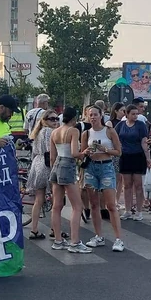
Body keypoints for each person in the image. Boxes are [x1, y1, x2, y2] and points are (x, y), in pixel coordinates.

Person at [81, 105, 125, 252]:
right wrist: (86, 152)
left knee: (110, 205)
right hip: (91, 168)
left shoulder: (109, 131)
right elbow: (82, 153)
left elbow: (118, 152)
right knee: (93, 204)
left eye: (95, 114)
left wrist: (104, 150)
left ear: (101, 116)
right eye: (90, 115)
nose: (92, 117)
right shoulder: (86, 133)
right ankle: (98, 235)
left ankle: (118, 239)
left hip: (106, 167)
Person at [49, 107, 92, 253]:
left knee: (57, 205)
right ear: (74, 118)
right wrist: (84, 153)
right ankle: (75, 242)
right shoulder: (73, 131)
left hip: (56, 165)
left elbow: (52, 157)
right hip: (67, 165)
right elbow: (74, 153)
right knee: (77, 206)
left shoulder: (54, 132)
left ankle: (58, 240)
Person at [26, 109, 58, 240]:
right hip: (46, 164)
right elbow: (50, 152)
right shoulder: (49, 132)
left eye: (57, 118)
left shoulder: (38, 132)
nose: (55, 121)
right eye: (52, 119)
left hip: (37, 163)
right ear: (44, 120)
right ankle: (55, 229)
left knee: (38, 199)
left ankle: (34, 229)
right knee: (56, 198)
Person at [115, 104, 150, 220]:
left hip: (138, 156)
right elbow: (115, 139)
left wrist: (148, 157)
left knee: (138, 184)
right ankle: (128, 209)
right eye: (133, 114)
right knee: (127, 185)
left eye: (136, 114)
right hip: (125, 156)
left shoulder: (141, 125)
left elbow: (144, 142)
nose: (135, 116)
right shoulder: (120, 125)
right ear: (127, 114)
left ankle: (139, 211)